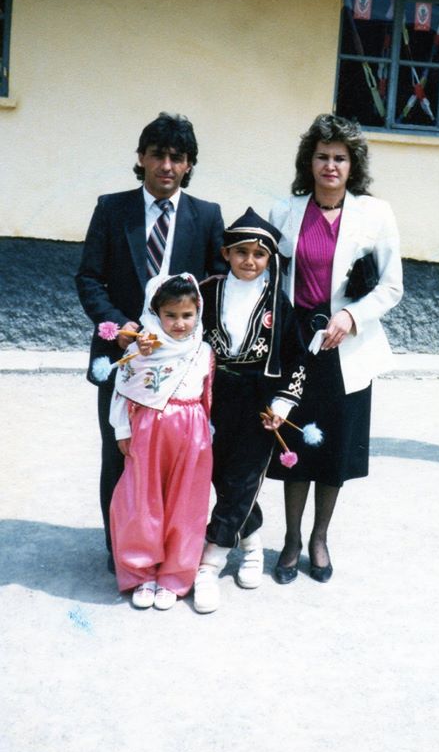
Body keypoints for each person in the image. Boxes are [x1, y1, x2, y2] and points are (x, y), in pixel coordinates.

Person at [75, 112, 225, 571]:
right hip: (123, 357)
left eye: (177, 157)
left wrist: (194, 341)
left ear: (189, 164)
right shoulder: (112, 209)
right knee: (120, 453)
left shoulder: (206, 216)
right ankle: (119, 548)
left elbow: (218, 286)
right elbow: (89, 277)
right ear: (141, 158)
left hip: (180, 367)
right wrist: (118, 325)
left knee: (172, 462)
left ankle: (167, 552)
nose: (166, 166)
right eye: (157, 155)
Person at [267, 113, 403, 584]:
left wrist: (351, 316)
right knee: (293, 443)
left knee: (334, 450)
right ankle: (290, 539)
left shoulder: (376, 214)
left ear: (352, 165)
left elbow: (391, 286)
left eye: (340, 158)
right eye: (322, 156)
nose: (330, 165)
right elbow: (269, 277)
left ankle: (319, 537)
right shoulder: (284, 211)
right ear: (309, 162)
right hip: (297, 347)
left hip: (346, 349)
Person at [192, 208, 307, 614]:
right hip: (211, 396)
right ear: (226, 253)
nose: (249, 261)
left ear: (269, 259)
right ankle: (252, 542)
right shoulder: (206, 292)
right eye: (241, 252)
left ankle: (210, 562)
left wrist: (282, 402)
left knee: (243, 478)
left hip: (259, 402)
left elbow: (295, 357)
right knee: (221, 475)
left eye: (259, 255)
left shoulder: (278, 302)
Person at [109, 273, 214, 610]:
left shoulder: (203, 351)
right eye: (171, 315)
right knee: (143, 500)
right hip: (148, 430)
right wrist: (122, 430)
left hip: (191, 432)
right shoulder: (142, 350)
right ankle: (143, 573)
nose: (180, 323)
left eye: (187, 315)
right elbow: (122, 390)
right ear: (156, 314)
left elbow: (208, 396)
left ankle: (175, 575)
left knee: (185, 505)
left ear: (198, 312)